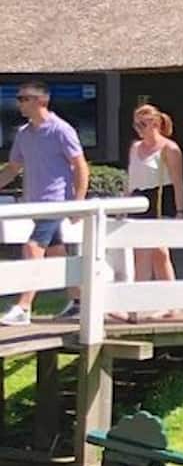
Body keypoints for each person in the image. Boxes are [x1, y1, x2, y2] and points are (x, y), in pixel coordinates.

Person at [0, 81, 89, 326]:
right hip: (36, 205)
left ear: (41, 101)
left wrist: (78, 202)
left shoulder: (62, 130)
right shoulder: (23, 134)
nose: (19, 103)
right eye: (19, 99)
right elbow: (13, 168)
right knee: (56, 253)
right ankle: (79, 301)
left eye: (24, 99)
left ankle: (23, 307)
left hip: (55, 203)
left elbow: (80, 165)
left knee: (32, 248)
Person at [124, 104, 183, 321]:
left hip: (159, 200)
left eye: (143, 124)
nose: (139, 129)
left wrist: (180, 211)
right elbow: (131, 178)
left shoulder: (169, 148)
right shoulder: (134, 147)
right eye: (136, 124)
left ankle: (139, 306)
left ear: (156, 124)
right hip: (137, 201)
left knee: (155, 252)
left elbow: (178, 182)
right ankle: (162, 303)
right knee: (151, 254)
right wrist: (124, 204)